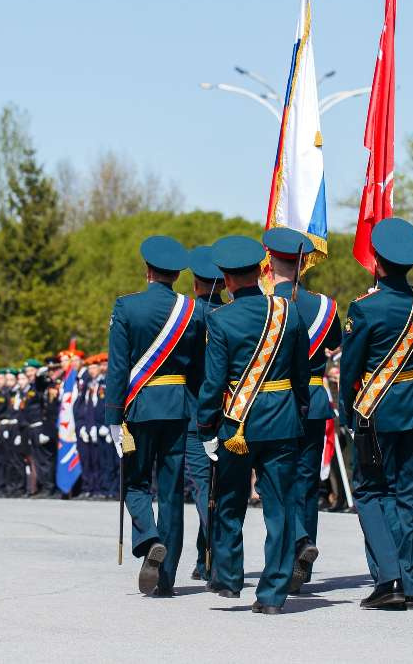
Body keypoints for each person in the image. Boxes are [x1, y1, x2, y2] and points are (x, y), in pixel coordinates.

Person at [337, 219, 413, 610]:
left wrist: (347, 412)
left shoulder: (365, 308)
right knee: (409, 494)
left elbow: (350, 369)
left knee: (368, 491)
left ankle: (390, 578)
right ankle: (410, 579)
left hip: (375, 408)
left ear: (378, 263)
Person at [198, 234, 309, 615]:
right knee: (281, 508)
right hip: (282, 420)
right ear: (260, 273)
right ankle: (274, 594)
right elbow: (300, 373)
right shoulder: (288, 312)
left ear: (227, 281)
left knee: (229, 503)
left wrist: (205, 427)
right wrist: (300, 413)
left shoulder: (220, 319)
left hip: (237, 425)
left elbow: (213, 383)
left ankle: (228, 579)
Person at [104, 235, 200, 597]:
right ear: (176, 275)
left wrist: (113, 414)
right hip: (178, 408)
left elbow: (118, 368)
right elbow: (201, 367)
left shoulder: (127, 308)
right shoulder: (193, 311)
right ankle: (166, 580)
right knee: (173, 492)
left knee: (134, 482)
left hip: (139, 408)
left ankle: (149, 538)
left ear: (147, 270)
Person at [262, 227, 343, 594]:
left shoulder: (266, 305)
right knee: (308, 483)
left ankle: (292, 547)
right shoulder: (325, 306)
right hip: (315, 399)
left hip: (280, 401)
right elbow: (336, 345)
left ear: (270, 260)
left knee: (279, 485)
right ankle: (304, 548)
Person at [185, 245, 224, 580]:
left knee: (202, 489)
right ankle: (204, 557)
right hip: (231, 413)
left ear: (195, 282)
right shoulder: (233, 314)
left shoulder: (187, 317)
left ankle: (219, 557)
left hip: (197, 414)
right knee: (219, 489)